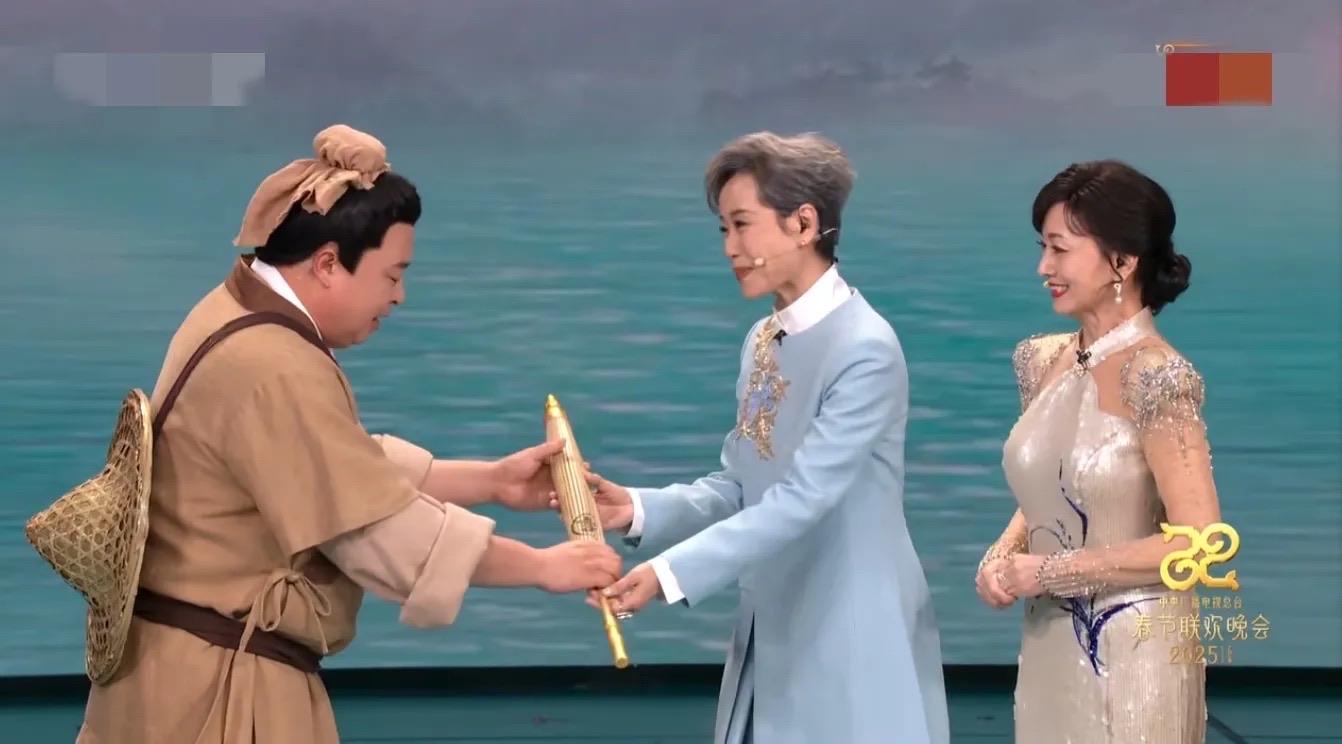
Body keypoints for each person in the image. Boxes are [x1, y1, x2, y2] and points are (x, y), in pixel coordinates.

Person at [75, 124, 622, 743]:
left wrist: (490, 481)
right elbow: (371, 527)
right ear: (329, 263)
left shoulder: (235, 312)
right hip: (216, 691)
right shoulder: (273, 365)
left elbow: (326, 466)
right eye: (392, 276)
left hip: (174, 671)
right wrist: (544, 565)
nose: (400, 296)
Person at [574, 132, 949, 744]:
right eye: (724, 229)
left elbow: (802, 498)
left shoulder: (865, 350)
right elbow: (741, 483)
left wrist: (669, 574)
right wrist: (637, 508)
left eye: (743, 225)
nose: (731, 247)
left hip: (850, 623)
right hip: (773, 616)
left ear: (804, 223)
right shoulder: (763, 339)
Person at [975, 159, 1218, 743]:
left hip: (1135, 651)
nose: (1044, 267)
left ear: (1123, 262)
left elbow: (1200, 544)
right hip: (1048, 644)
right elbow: (1052, 490)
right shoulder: (1039, 359)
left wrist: (1051, 571)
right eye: (1043, 247)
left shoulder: (1157, 376)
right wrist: (1002, 553)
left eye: (1060, 249)